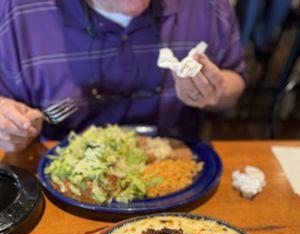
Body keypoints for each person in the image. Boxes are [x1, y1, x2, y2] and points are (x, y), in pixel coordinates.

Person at [0, 0, 246, 152]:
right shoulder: (18, 12)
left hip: (177, 161)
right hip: (60, 176)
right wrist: (11, 125)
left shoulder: (208, 6)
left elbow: (235, 83)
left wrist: (216, 89)